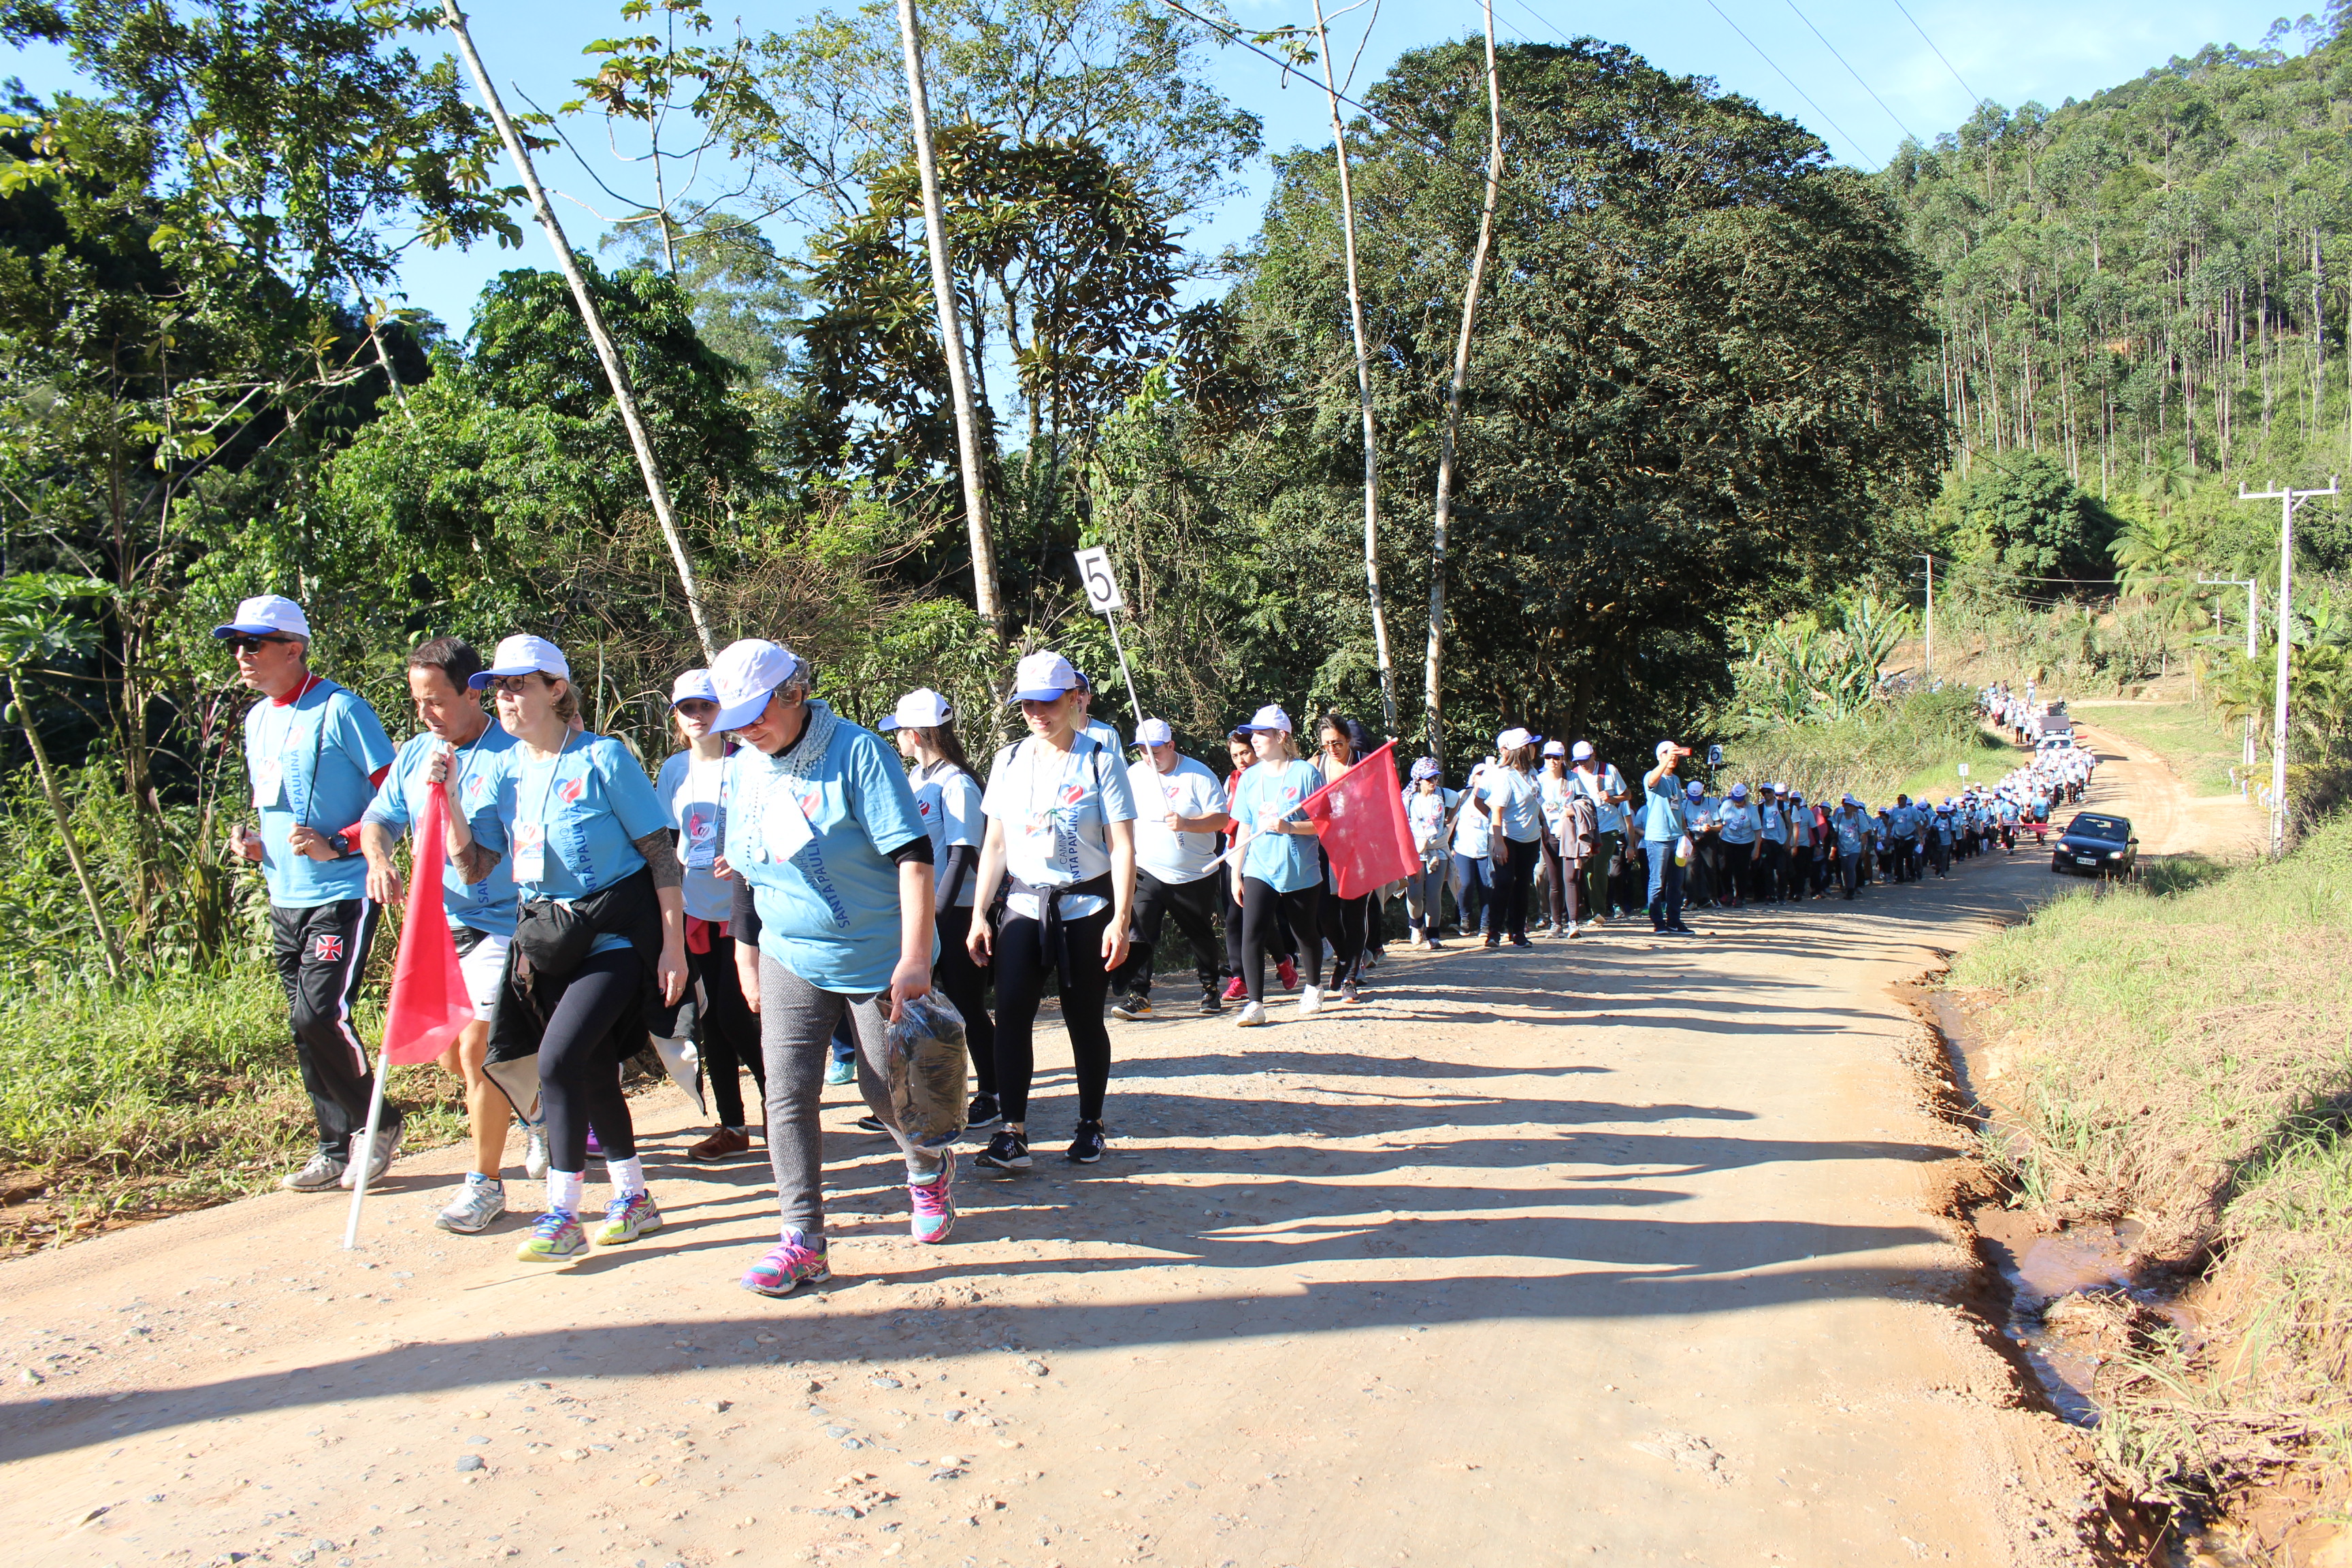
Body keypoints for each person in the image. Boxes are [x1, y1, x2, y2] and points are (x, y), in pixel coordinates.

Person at [704, 640, 943, 1296]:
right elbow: (745, 869)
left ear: (795, 693)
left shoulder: (858, 753)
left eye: (758, 714)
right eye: (736, 720)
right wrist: (746, 954)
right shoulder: (744, 768)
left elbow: (914, 857)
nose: (748, 730)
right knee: (786, 1093)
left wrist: (914, 957)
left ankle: (927, 1168)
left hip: (876, 955)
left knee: (884, 1089)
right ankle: (802, 1240)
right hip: (790, 952)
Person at [440, 634, 686, 1263]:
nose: (505, 698)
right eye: (498, 687)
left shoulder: (603, 758)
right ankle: (635, 1198)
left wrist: (674, 949)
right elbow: (475, 866)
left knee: (556, 1062)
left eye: (518, 685)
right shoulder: (504, 772)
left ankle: (563, 1214)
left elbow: (661, 855)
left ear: (556, 689)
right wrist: (449, 803)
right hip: (548, 942)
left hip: (614, 935)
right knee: (594, 1068)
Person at [219, 594, 401, 1194]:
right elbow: (272, 800)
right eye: (236, 645)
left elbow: (394, 799)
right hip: (284, 895)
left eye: (253, 644)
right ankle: (333, 1145)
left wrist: (341, 843)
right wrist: (255, 843)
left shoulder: (341, 708)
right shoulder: (257, 719)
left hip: (341, 891)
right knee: (305, 1028)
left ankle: (378, 1124)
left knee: (319, 1013)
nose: (241, 655)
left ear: (293, 649)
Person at [360, 636, 537, 1234]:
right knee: (448, 1057)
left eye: (436, 700)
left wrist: (456, 797)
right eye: (417, 701)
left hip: (503, 924)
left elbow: (496, 859)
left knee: (477, 1054)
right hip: (437, 930)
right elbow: (379, 819)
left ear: (472, 693)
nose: (425, 713)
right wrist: (379, 859)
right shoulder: (416, 754)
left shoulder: (512, 755)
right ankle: (536, 1109)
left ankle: (485, 1185)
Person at [968, 651, 1139, 1172]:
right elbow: (995, 843)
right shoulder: (1008, 760)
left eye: (1048, 703)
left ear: (1073, 699)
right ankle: (1012, 1132)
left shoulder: (1100, 760)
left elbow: (1123, 847)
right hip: (1024, 904)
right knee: (1011, 1012)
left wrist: (1121, 919)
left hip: (1086, 906)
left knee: (1083, 1017)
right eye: (1027, 705)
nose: (1037, 714)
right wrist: (979, 913)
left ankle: (1091, 1124)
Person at [651, 668, 765, 1162]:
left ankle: (785, 1105)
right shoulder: (673, 771)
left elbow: (772, 826)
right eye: (687, 708)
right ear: (676, 716)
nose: (697, 715)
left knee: (735, 1015)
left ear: (723, 711)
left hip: (746, 909)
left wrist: (742, 856)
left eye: (706, 706)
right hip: (695, 909)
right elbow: (665, 840)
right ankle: (732, 1126)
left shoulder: (749, 761)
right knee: (712, 1020)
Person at [880, 687, 998, 1128]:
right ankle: (919, 1097)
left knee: (967, 1006)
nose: (896, 739)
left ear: (916, 733)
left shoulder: (957, 783)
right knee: (919, 1006)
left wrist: (937, 917)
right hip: (921, 915)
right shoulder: (914, 780)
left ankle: (993, 1091)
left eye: (899, 731)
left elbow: (962, 853)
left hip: (956, 911)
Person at [1112, 717, 1231, 1019]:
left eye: (1155, 751)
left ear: (1171, 746)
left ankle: (1210, 989)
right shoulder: (1134, 774)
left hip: (1193, 873)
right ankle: (1139, 995)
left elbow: (1221, 819)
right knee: (1140, 930)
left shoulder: (1198, 774)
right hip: (1147, 870)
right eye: (1142, 751)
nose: (1149, 758)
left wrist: (1187, 824)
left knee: (1199, 932)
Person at [1228, 705, 1328, 1025]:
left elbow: (1323, 823)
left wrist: (1289, 827)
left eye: (1261, 734)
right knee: (1252, 932)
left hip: (1299, 868)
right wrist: (1236, 872)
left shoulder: (1305, 773)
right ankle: (1255, 1004)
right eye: (1253, 734)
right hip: (1259, 867)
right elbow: (1244, 826)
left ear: (1281, 736)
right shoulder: (1249, 778)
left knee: (1304, 932)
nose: (1255, 740)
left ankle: (1314, 986)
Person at [1219, 730, 1298, 998]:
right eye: (1235, 756)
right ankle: (1239, 977)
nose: (1241, 760)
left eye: (1245, 753)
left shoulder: (1270, 778)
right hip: (1235, 854)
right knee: (1234, 918)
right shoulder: (1232, 781)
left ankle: (1282, 960)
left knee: (1257, 918)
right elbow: (1229, 819)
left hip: (1263, 856)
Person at [1311, 713, 1379, 992]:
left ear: (1349, 740)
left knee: (1354, 912)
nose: (1332, 749)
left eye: (1337, 743)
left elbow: (1381, 805)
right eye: (1326, 744)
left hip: (1358, 848)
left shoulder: (1366, 763)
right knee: (1325, 913)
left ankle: (1351, 975)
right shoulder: (1315, 765)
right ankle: (1343, 958)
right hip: (1323, 849)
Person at [1403, 757, 1459, 948]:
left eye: (1436, 778)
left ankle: (1433, 935)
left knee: (1434, 894)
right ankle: (1415, 925)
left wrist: (1450, 818)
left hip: (1438, 849)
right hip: (1416, 850)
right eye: (1429, 779)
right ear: (1418, 780)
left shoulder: (1443, 794)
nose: (1433, 782)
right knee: (1414, 894)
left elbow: (1457, 800)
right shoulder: (1409, 798)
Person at [1570, 741, 1629, 922]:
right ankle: (1593, 911)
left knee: (1600, 866)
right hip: (1586, 829)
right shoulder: (1573, 775)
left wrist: (1611, 798)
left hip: (1608, 828)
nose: (1583, 764)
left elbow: (1627, 795)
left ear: (1593, 755)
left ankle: (1599, 911)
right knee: (1588, 870)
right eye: (1579, 761)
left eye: (1585, 760)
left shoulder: (1609, 770)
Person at [1640, 742, 1695, 934]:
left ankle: (1674, 921)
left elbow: (1678, 808)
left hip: (1677, 838)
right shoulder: (1653, 775)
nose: (1673, 757)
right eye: (1667, 753)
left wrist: (1685, 832)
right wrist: (1665, 761)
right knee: (1657, 882)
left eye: (1675, 753)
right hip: (1658, 838)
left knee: (1677, 882)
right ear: (1659, 756)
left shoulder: (1676, 780)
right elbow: (1652, 781)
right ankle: (1658, 921)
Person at [1449, 754, 1495, 938]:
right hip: (1463, 849)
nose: (1483, 777)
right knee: (1465, 885)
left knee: (1487, 887)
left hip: (1486, 851)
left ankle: (1486, 925)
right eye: (1480, 774)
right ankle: (1464, 919)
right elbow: (1451, 822)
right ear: (1473, 777)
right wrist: (1448, 846)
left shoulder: (1494, 797)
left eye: (1486, 774)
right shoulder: (1463, 796)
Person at [1534, 740, 1576, 935]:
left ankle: (1573, 922)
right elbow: (1534, 806)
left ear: (1562, 759)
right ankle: (1556, 923)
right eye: (1548, 757)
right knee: (1554, 880)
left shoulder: (1573, 779)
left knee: (1571, 878)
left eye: (1556, 758)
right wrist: (1542, 824)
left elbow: (1586, 801)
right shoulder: (1539, 780)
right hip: (1548, 833)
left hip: (1569, 833)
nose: (1552, 761)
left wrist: (1573, 811)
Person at [1714, 782, 1758, 908]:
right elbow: (1718, 821)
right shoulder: (1727, 805)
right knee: (1726, 869)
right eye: (1736, 799)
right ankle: (1729, 893)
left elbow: (1758, 830)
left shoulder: (1751, 809)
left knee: (1741, 871)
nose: (1738, 802)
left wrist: (1756, 849)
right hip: (1727, 841)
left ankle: (1740, 896)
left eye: (1740, 799)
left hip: (1745, 843)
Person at [1830, 794, 1871, 900]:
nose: (1847, 807)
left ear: (1854, 808)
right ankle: (1847, 887)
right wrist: (1833, 848)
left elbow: (1863, 834)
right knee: (1844, 869)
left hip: (1855, 847)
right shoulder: (1839, 817)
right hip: (1842, 847)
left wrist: (1863, 849)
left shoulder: (1859, 818)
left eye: (1850, 806)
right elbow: (1835, 833)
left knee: (1851, 867)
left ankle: (1851, 890)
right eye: (1845, 805)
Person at [1756, 784, 1789, 903]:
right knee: (1767, 870)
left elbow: (1790, 824)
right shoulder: (1760, 808)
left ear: (1773, 792)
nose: (1766, 795)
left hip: (1781, 842)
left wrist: (1788, 841)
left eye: (1768, 792)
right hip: (1767, 842)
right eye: (1764, 793)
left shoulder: (1782, 806)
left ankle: (1781, 895)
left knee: (1782, 870)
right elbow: (1757, 826)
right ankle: (1771, 895)